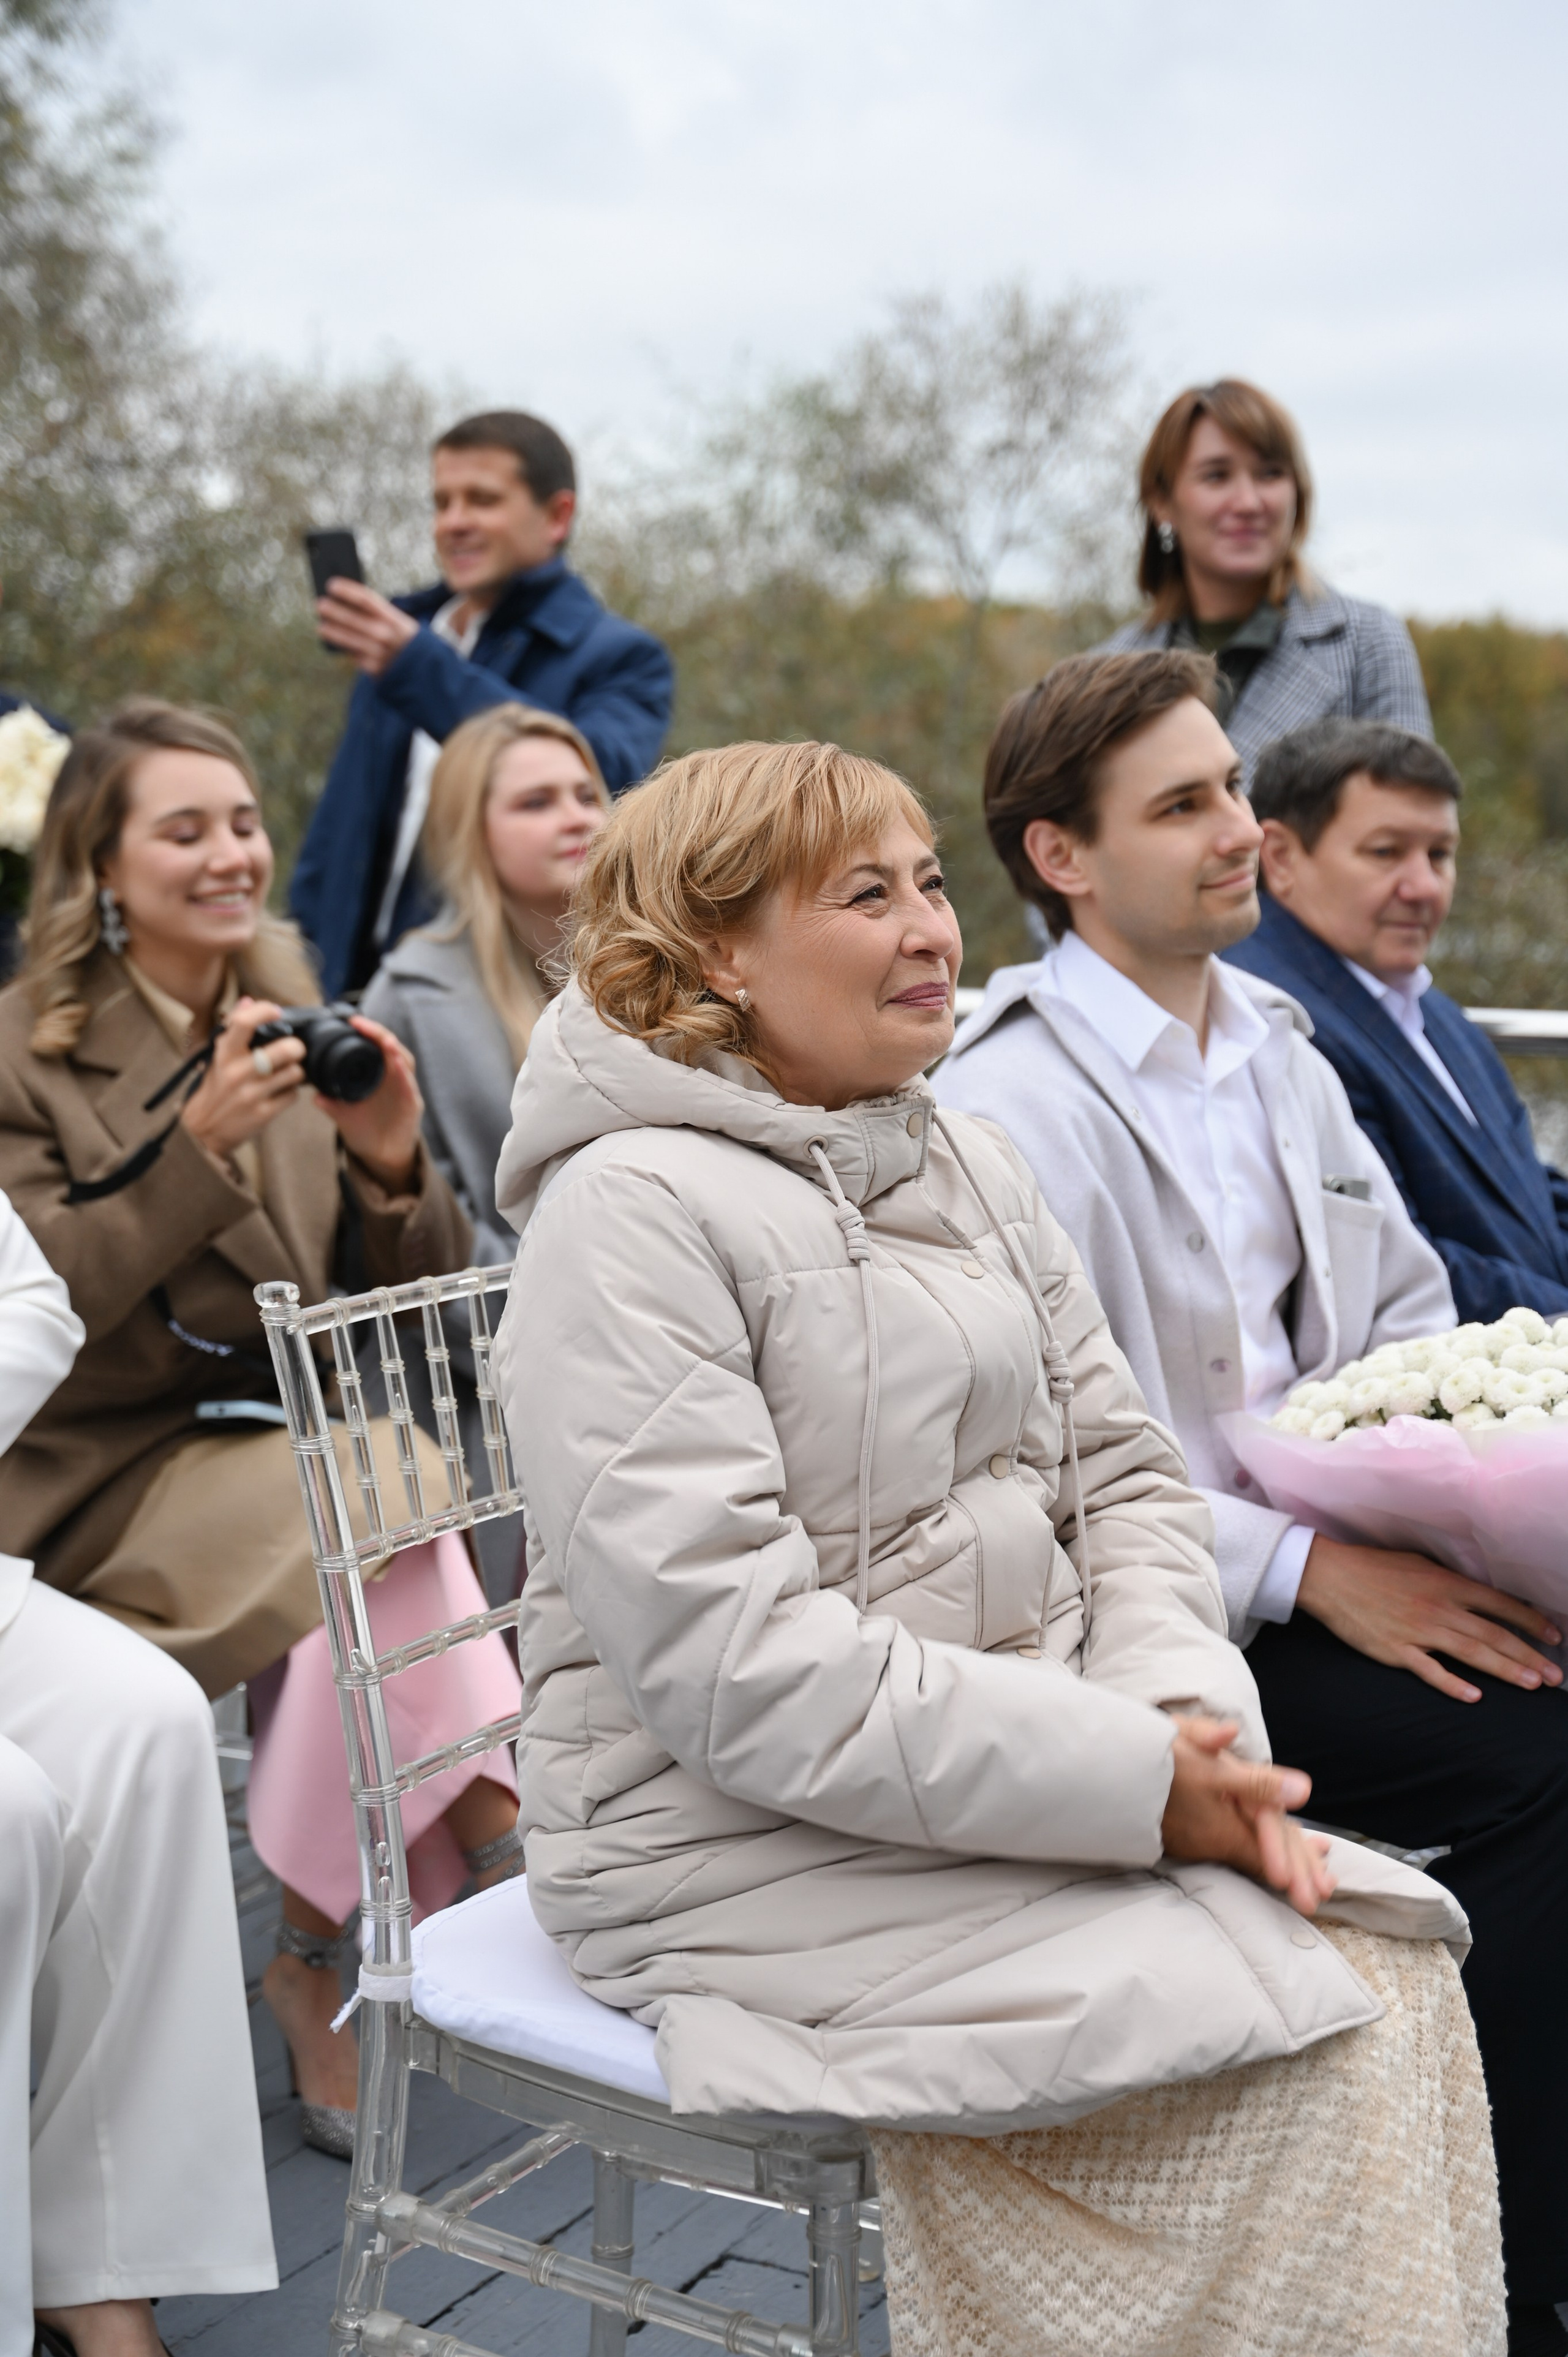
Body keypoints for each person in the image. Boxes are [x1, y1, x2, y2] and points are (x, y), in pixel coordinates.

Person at [492, 737, 1501, 2356]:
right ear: (714, 958)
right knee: (1318, 2047)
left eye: (934, 885)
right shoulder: (628, 1217)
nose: (933, 932)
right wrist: (1129, 1784)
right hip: (717, 1842)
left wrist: (1179, 1727)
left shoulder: (957, 1148)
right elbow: (738, 1673)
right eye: (865, 895)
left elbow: (1126, 1477)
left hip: (993, 1773)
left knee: (1392, 1980)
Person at [936, 649, 1568, 2351]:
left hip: (1340, 1568)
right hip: (1138, 1636)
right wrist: (1309, 1566)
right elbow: (1042, 1466)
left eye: (1230, 786)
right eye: (1189, 803)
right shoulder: (999, 1107)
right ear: (1063, 856)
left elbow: (1405, 1326)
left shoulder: (1277, 1052)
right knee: (1540, 1760)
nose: (1240, 829)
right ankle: (1497, 2268)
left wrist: (1462, 1493)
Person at [0, 699, 523, 2158]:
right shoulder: (21, 1056)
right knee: (382, 1497)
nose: (228, 853)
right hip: (85, 1476)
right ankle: (489, 1824)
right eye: (184, 829)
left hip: (273, 1461)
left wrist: (389, 1157)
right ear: (99, 863)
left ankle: (311, 1956)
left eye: (241, 822)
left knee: (369, 1505)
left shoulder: (297, 1007)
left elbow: (395, 1308)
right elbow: (35, 1315)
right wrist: (197, 1146)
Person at [0, 1183, 277, 2357]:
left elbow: (29, 1298)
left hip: (197, 1430)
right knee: (10, 1809)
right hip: (101, 1471)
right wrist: (187, 1155)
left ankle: (99, 2255)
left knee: (146, 1719)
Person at [290, 409, 674, 997]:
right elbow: (338, 830)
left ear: (557, 515)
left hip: (491, 997)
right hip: (347, 987)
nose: (454, 523)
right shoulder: (402, 640)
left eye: (482, 500)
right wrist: (298, 961)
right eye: (442, 503)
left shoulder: (621, 657)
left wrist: (419, 668)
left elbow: (600, 782)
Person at [1223, 717, 1568, 1323]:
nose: (1424, 886)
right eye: (1386, 852)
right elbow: (1400, 1264)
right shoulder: (1271, 1021)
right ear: (1279, 857)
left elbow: (1530, 1193)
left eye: (1440, 854)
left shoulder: (1431, 1009)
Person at [362, 704, 609, 1269]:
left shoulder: (663, 965)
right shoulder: (409, 996)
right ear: (470, 829)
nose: (578, 819)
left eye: (587, 796)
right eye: (537, 803)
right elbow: (419, 1229)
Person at [1097, 378, 1431, 779]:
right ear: (1162, 502)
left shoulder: (1368, 644)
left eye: (1270, 474)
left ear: (1298, 493)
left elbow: (1413, 825)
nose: (1248, 503)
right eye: (1216, 476)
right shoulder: (1106, 673)